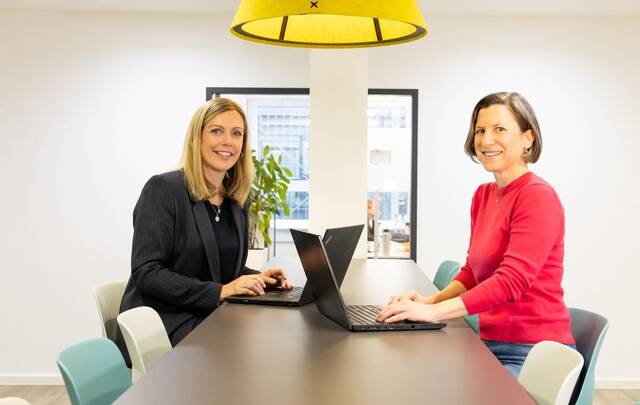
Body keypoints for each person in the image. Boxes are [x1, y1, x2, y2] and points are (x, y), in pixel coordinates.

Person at [377, 92, 575, 378]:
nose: (486, 140)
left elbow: (511, 282)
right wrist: (430, 302)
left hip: (534, 353)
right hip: (488, 344)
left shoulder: (537, 196)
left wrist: (435, 313)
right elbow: (472, 272)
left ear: (528, 138)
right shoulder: (483, 195)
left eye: (499, 129)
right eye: (480, 131)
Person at [115, 98, 292, 363]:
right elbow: (147, 272)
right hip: (163, 323)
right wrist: (219, 292)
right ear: (197, 138)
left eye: (237, 133)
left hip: (207, 316)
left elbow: (218, 270)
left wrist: (257, 279)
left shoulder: (236, 200)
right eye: (216, 131)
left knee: (269, 338)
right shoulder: (164, 189)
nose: (228, 141)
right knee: (252, 350)